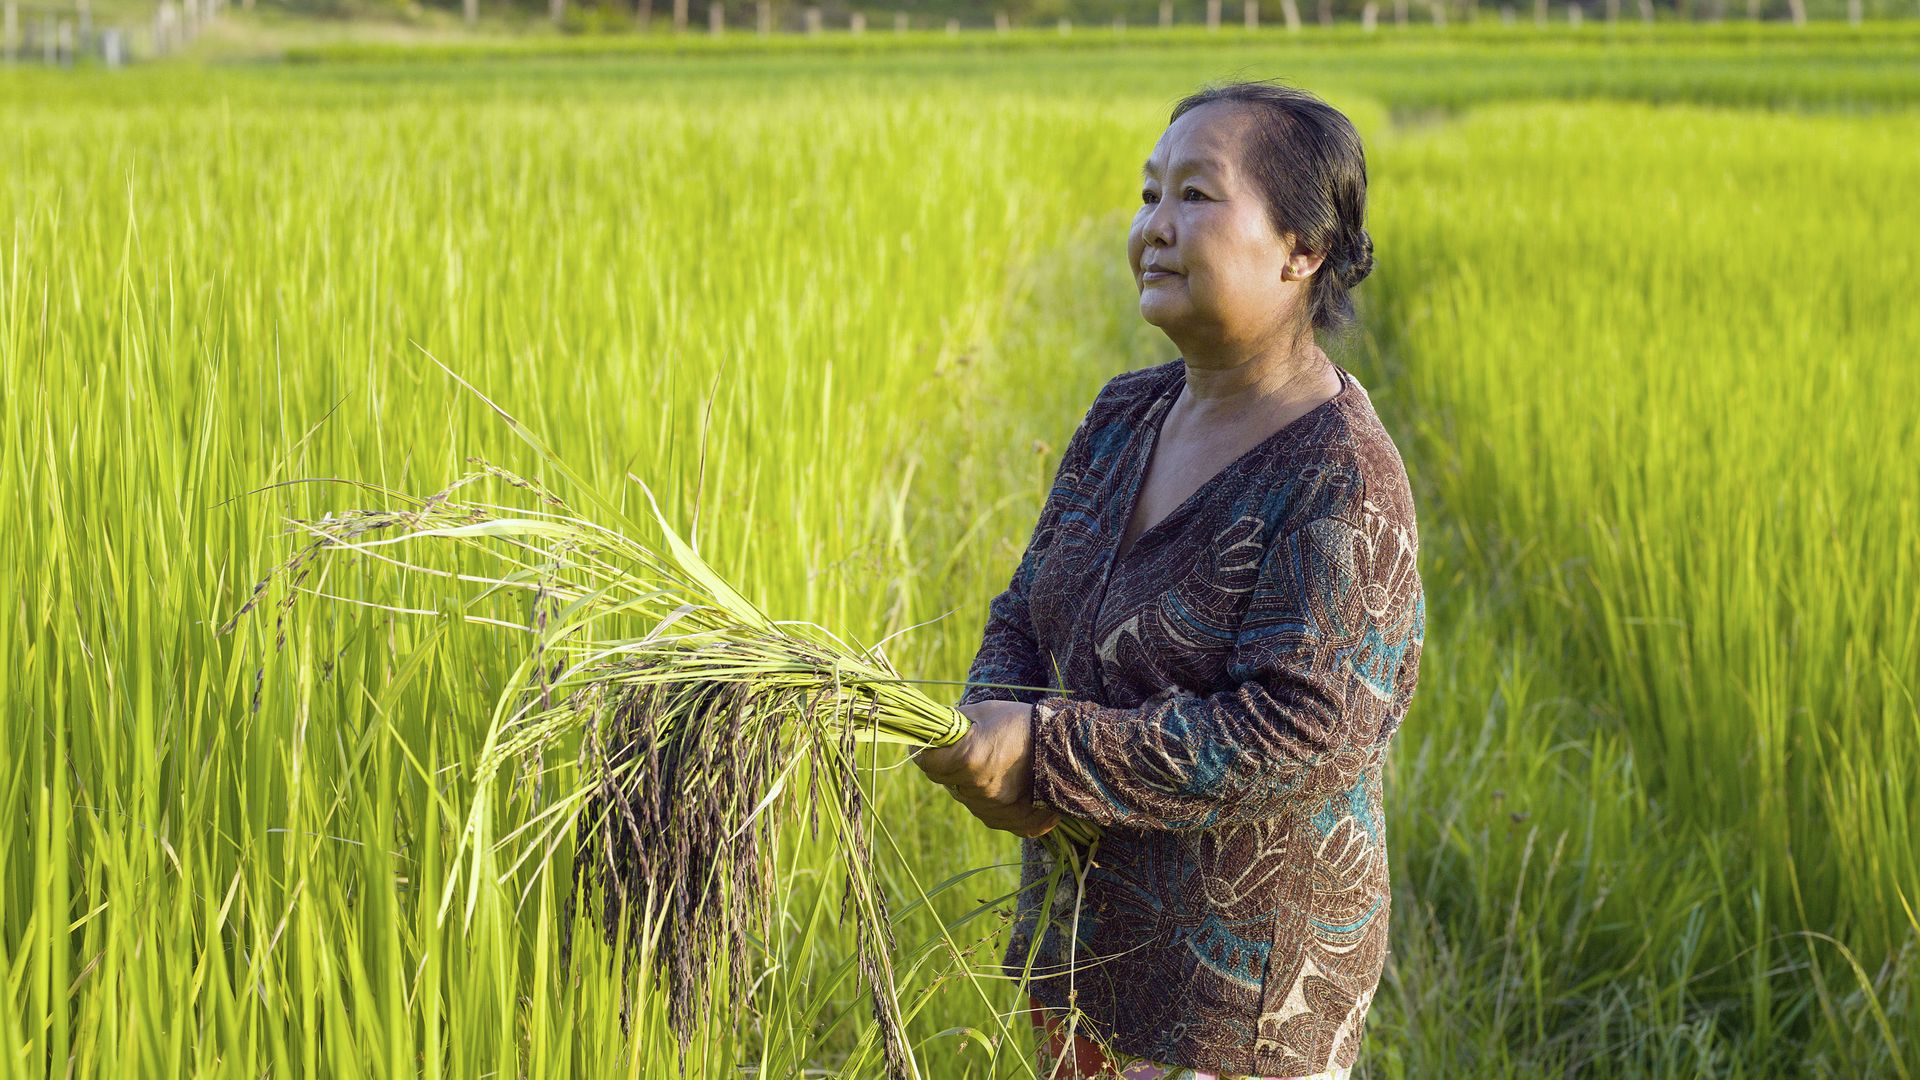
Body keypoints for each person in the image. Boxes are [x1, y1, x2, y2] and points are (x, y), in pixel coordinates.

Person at [914, 81, 1424, 1080]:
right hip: (1083, 951)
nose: (1153, 226)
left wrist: (1047, 750)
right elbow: (1027, 607)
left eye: (1196, 196)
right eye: (1150, 194)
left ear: (1301, 249)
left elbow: (1298, 736)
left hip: (1233, 1009)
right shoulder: (1124, 416)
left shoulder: (1341, 477)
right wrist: (992, 726)